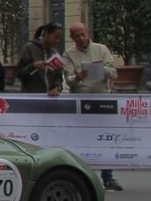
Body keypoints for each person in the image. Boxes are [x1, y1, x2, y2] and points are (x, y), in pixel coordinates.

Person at [64, 21, 124, 189]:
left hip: (101, 98)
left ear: (88, 32)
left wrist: (101, 68)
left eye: (83, 34)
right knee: (81, 139)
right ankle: (82, 177)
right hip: (80, 100)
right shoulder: (68, 54)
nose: (82, 39)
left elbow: (114, 72)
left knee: (104, 137)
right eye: (77, 36)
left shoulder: (101, 49)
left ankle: (108, 177)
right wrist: (78, 77)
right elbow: (68, 80)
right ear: (72, 37)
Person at [16, 22, 70, 95]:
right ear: (46, 34)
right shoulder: (29, 48)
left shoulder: (54, 53)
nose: (57, 41)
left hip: (50, 97)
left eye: (59, 38)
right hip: (32, 96)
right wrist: (33, 66)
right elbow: (19, 73)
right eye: (55, 37)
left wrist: (57, 87)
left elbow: (58, 76)